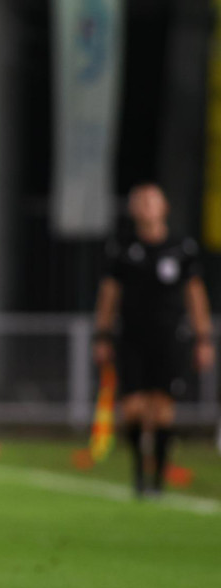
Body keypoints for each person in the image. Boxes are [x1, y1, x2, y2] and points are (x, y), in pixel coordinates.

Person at [92, 182, 214, 498]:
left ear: (164, 208)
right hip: (131, 338)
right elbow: (109, 294)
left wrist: (203, 338)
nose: (146, 206)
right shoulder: (122, 249)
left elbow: (196, 294)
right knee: (132, 409)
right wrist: (102, 334)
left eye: (152, 201)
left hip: (170, 338)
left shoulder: (181, 249)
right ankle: (138, 470)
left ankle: (157, 479)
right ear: (133, 210)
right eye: (140, 201)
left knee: (161, 409)